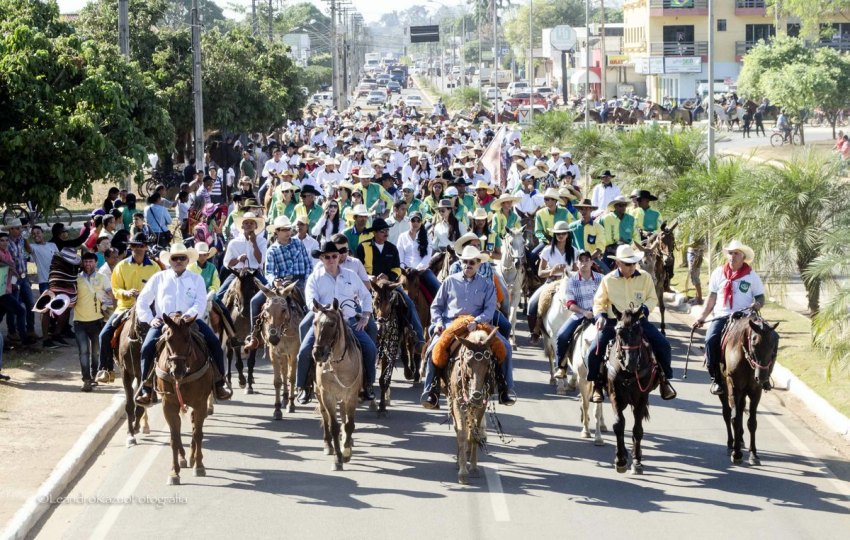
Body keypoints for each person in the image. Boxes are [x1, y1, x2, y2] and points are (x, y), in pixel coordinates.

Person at [134, 244, 233, 406]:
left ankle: (219, 382)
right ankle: (146, 387)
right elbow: (143, 301)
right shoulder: (159, 278)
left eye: (182, 258)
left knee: (215, 343)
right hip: (164, 322)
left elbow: (200, 302)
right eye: (175, 258)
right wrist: (150, 319)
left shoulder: (196, 279)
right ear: (170, 260)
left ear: (187, 260)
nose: (178, 261)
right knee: (147, 347)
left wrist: (186, 318)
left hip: (191, 321)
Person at [420, 245, 516, 409]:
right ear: (461, 262)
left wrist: (476, 321)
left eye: (472, 262)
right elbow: (436, 306)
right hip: (451, 323)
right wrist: (438, 322)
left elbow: (490, 309)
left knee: (505, 346)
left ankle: (505, 388)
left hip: (478, 324)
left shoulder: (487, 284)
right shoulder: (450, 281)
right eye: (465, 261)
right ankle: (431, 390)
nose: (468, 265)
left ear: (479, 263)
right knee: (433, 348)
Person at [585, 245, 676, 403]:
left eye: (634, 263)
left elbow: (652, 298)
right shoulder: (608, 280)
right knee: (594, 350)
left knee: (663, 345)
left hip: (638, 321)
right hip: (615, 322)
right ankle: (597, 384)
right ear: (619, 263)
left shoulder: (645, 277)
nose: (632, 266)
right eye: (628, 263)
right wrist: (600, 316)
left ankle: (664, 380)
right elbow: (599, 302)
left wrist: (644, 310)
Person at [295, 241, 377, 404]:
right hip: (324, 321)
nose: (331, 259)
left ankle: (367, 385)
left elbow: (366, 295)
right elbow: (310, 299)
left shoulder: (350, 275)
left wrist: (365, 315)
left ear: (339, 256)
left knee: (370, 348)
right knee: (304, 351)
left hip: (348, 320)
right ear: (321, 259)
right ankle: (303, 387)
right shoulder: (315, 277)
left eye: (334, 256)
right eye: (327, 257)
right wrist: (319, 309)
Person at [691, 240, 766, 395]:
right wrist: (702, 317)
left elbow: (760, 298)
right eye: (730, 253)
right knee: (710, 340)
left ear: (743, 256)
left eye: (736, 253)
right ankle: (716, 379)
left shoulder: (752, 276)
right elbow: (711, 298)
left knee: (766, 340)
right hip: (722, 316)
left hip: (744, 317)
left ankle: (765, 378)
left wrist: (756, 305)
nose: (732, 256)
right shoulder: (718, 273)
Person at [95, 233, 161, 383]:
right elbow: (115, 289)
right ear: (130, 247)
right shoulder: (121, 266)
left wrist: (146, 297)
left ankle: (163, 367)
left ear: (146, 247)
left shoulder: (155, 267)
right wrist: (126, 292)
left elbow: (160, 290)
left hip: (148, 309)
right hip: (125, 307)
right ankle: (105, 368)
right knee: (104, 335)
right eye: (135, 246)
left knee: (165, 333)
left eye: (141, 245)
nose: (138, 249)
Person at [244, 216, 313, 353]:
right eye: (284, 230)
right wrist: (274, 281)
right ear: (277, 232)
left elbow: (308, 265)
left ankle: (312, 338)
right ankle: (254, 337)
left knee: (309, 306)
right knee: (254, 301)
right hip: (278, 284)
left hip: (298, 283)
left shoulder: (299, 244)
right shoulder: (272, 250)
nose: (288, 232)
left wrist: (305, 282)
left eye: (289, 229)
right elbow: (268, 272)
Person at [356, 218, 426, 352]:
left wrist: (389, 276)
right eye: (383, 231)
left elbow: (397, 269)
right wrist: (370, 277)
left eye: (387, 231)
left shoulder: (392, 248)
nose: (386, 234)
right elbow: (358, 268)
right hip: (368, 284)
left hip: (389, 285)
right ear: (375, 233)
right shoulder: (363, 247)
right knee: (356, 307)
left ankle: (419, 337)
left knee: (409, 303)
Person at [553, 251, 603, 379]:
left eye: (587, 260)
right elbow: (569, 303)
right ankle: (562, 367)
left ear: (592, 262)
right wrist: (584, 312)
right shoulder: (572, 280)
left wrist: (598, 312)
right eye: (581, 261)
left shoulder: (601, 278)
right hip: (579, 315)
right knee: (562, 335)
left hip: (599, 314)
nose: (584, 263)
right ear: (577, 263)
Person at [527, 221, 575, 343]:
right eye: (558, 233)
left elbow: (577, 271)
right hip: (551, 282)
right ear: (554, 234)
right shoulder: (547, 250)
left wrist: (567, 271)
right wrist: (552, 271)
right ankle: (535, 330)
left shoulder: (574, 251)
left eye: (563, 233)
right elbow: (540, 272)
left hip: (569, 283)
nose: (560, 235)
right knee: (532, 304)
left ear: (567, 234)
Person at [74, 252, 107, 392]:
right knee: (83, 352)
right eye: (86, 262)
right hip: (79, 321)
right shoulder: (75, 279)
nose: (88, 264)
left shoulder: (103, 278)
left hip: (97, 321)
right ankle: (86, 380)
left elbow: (111, 295)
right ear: (82, 263)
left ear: (96, 263)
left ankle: (94, 377)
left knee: (96, 353)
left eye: (91, 262)